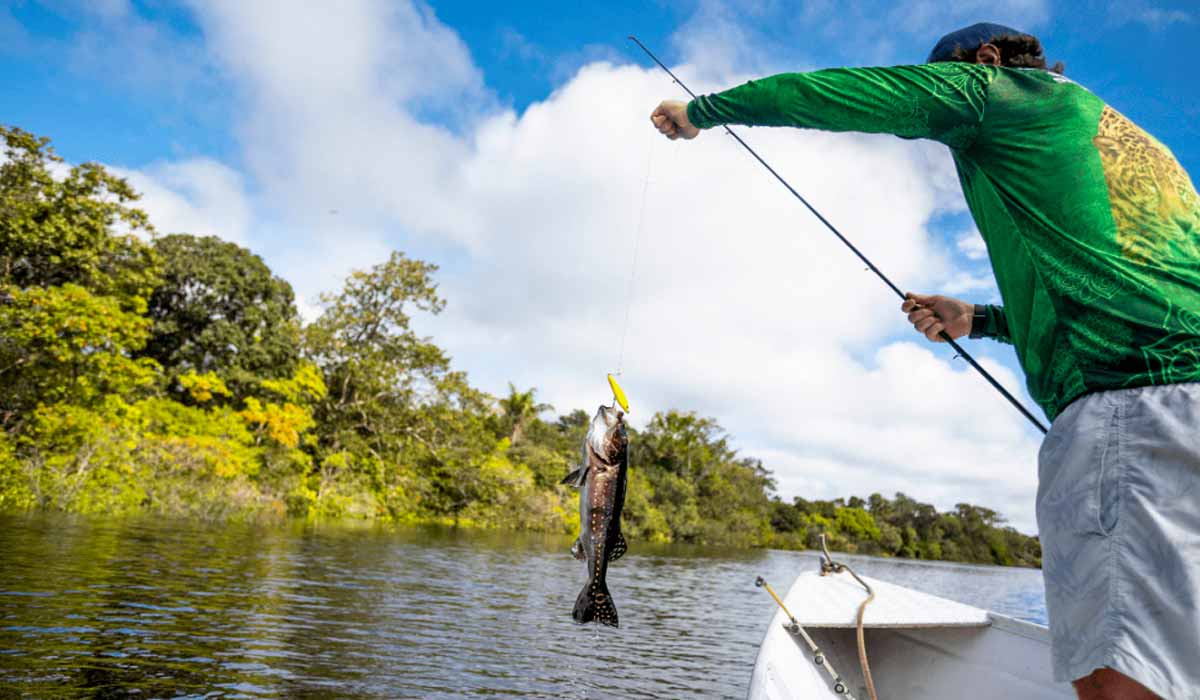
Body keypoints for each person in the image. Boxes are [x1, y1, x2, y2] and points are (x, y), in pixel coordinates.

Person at [650, 22, 1200, 700]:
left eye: (946, 76)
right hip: (1176, 409)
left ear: (987, 61)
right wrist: (980, 320)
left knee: (1122, 675)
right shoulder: (1128, 142)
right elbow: (1120, 290)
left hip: (1132, 412)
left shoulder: (996, 92)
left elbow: (838, 93)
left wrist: (701, 111)